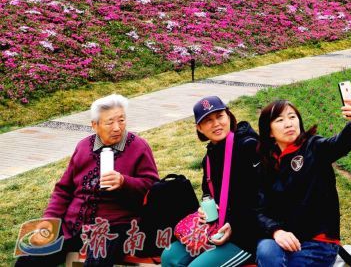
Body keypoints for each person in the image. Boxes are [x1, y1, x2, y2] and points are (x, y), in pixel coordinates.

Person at [15, 94, 159, 267]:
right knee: (29, 259)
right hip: (73, 225)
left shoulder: (138, 146)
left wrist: (124, 182)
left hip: (114, 226)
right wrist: (49, 220)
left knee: (96, 263)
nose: (117, 128)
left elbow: (152, 186)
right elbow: (63, 190)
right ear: (95, 125)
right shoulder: (83, 146)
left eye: (121, 120)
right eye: (109, 122)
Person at [255, 97, 351, 267]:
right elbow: (258, 208)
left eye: (292, 117)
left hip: (318, 242)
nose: (289, 124)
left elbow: (339, 143)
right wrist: (276, 231)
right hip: (282, 240)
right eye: (280, 120)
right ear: (269, 131)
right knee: (265, 250)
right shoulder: (266, 163)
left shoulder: (314, 148)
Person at [161, 96, 261, 267]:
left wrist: (234, 224)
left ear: (229, 116)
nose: (216, 124)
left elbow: (262, 199)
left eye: (220, 116)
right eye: (208, 120)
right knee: (169, 256)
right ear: (199, 128)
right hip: (218, 229)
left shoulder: (249, 147)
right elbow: (209, 193)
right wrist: (205, 209)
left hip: (247, 234)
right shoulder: (209, 157)